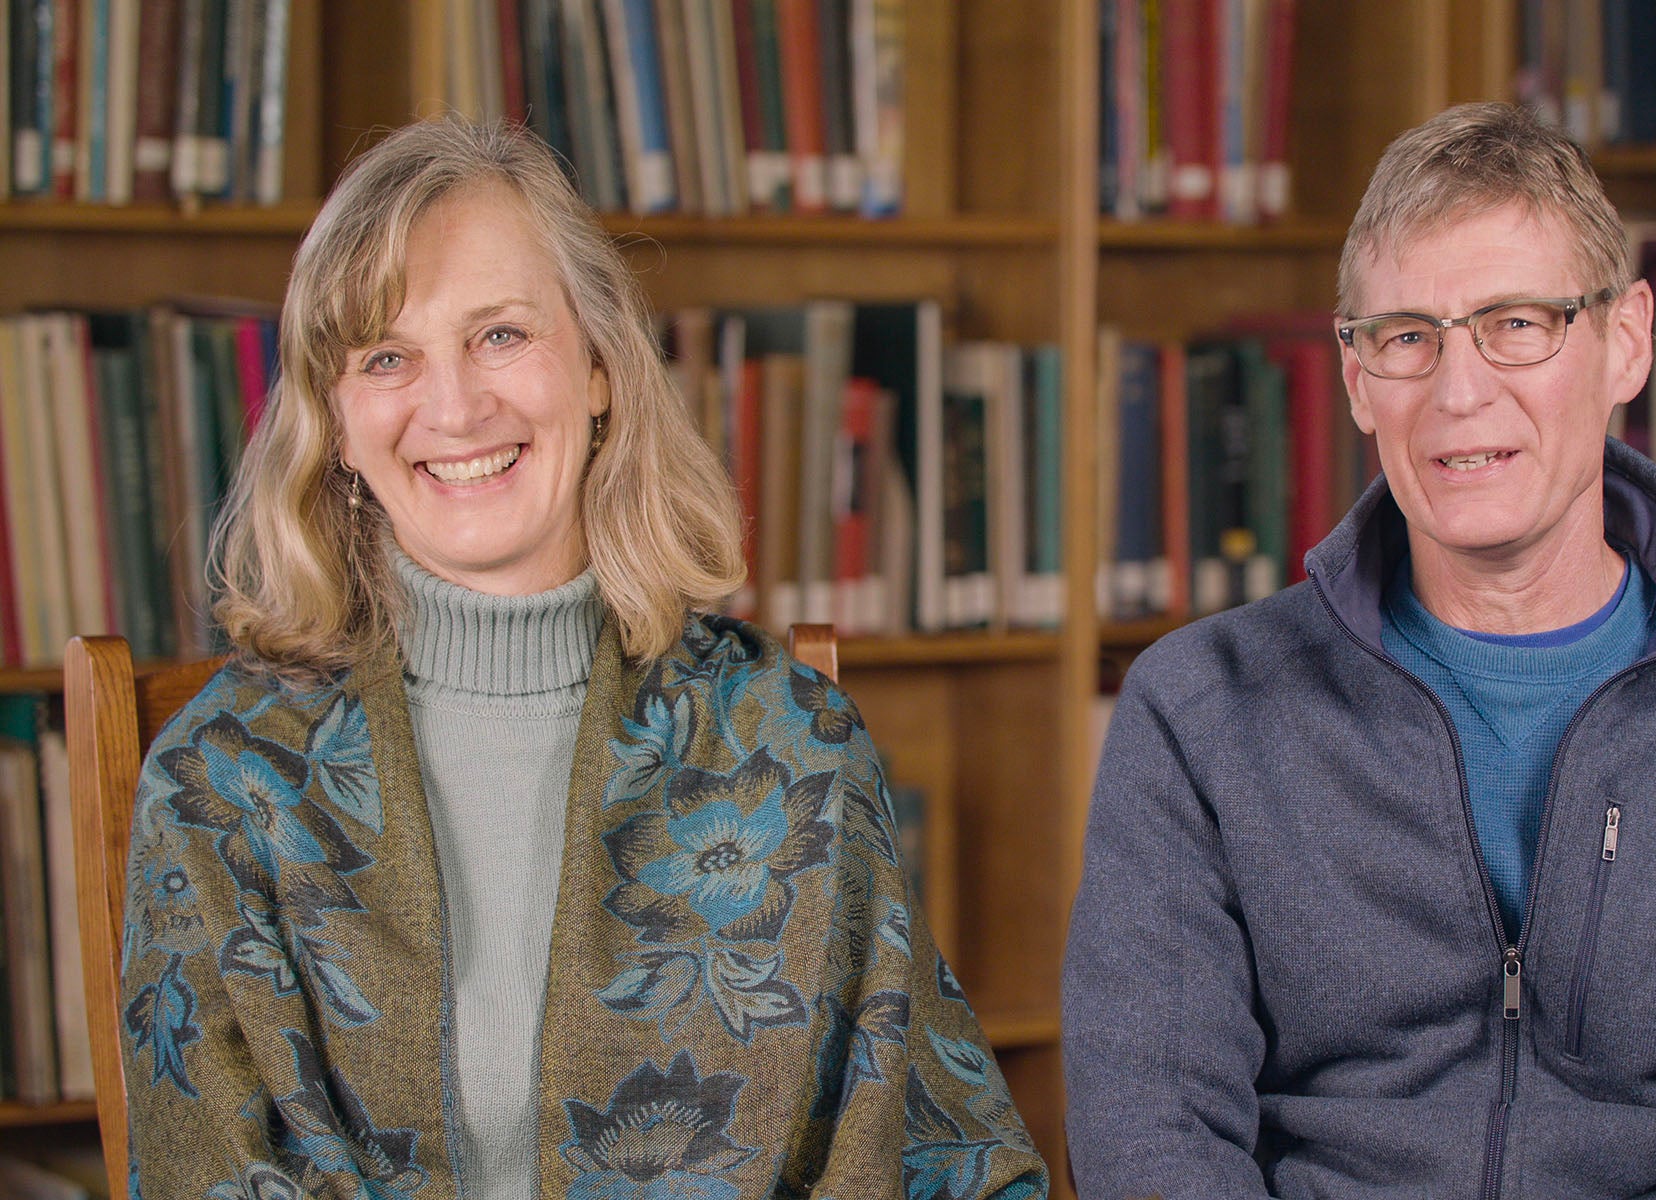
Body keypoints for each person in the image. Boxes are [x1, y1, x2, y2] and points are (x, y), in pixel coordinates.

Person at [119, 117, 1048, 1200]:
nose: (456, 405)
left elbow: (945, 1153)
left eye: (501, 335)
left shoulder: (787, 743)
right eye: (386, 357)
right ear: (335, 421)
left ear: (601, 365)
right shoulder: (222, 783)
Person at [1062, 102, 1656, 1199]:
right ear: (1354, 380)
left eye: (1515, 323)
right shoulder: (1199, 710)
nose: (1456, 390)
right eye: (1405, 337)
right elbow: (1152, 1141)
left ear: (1623, 341)